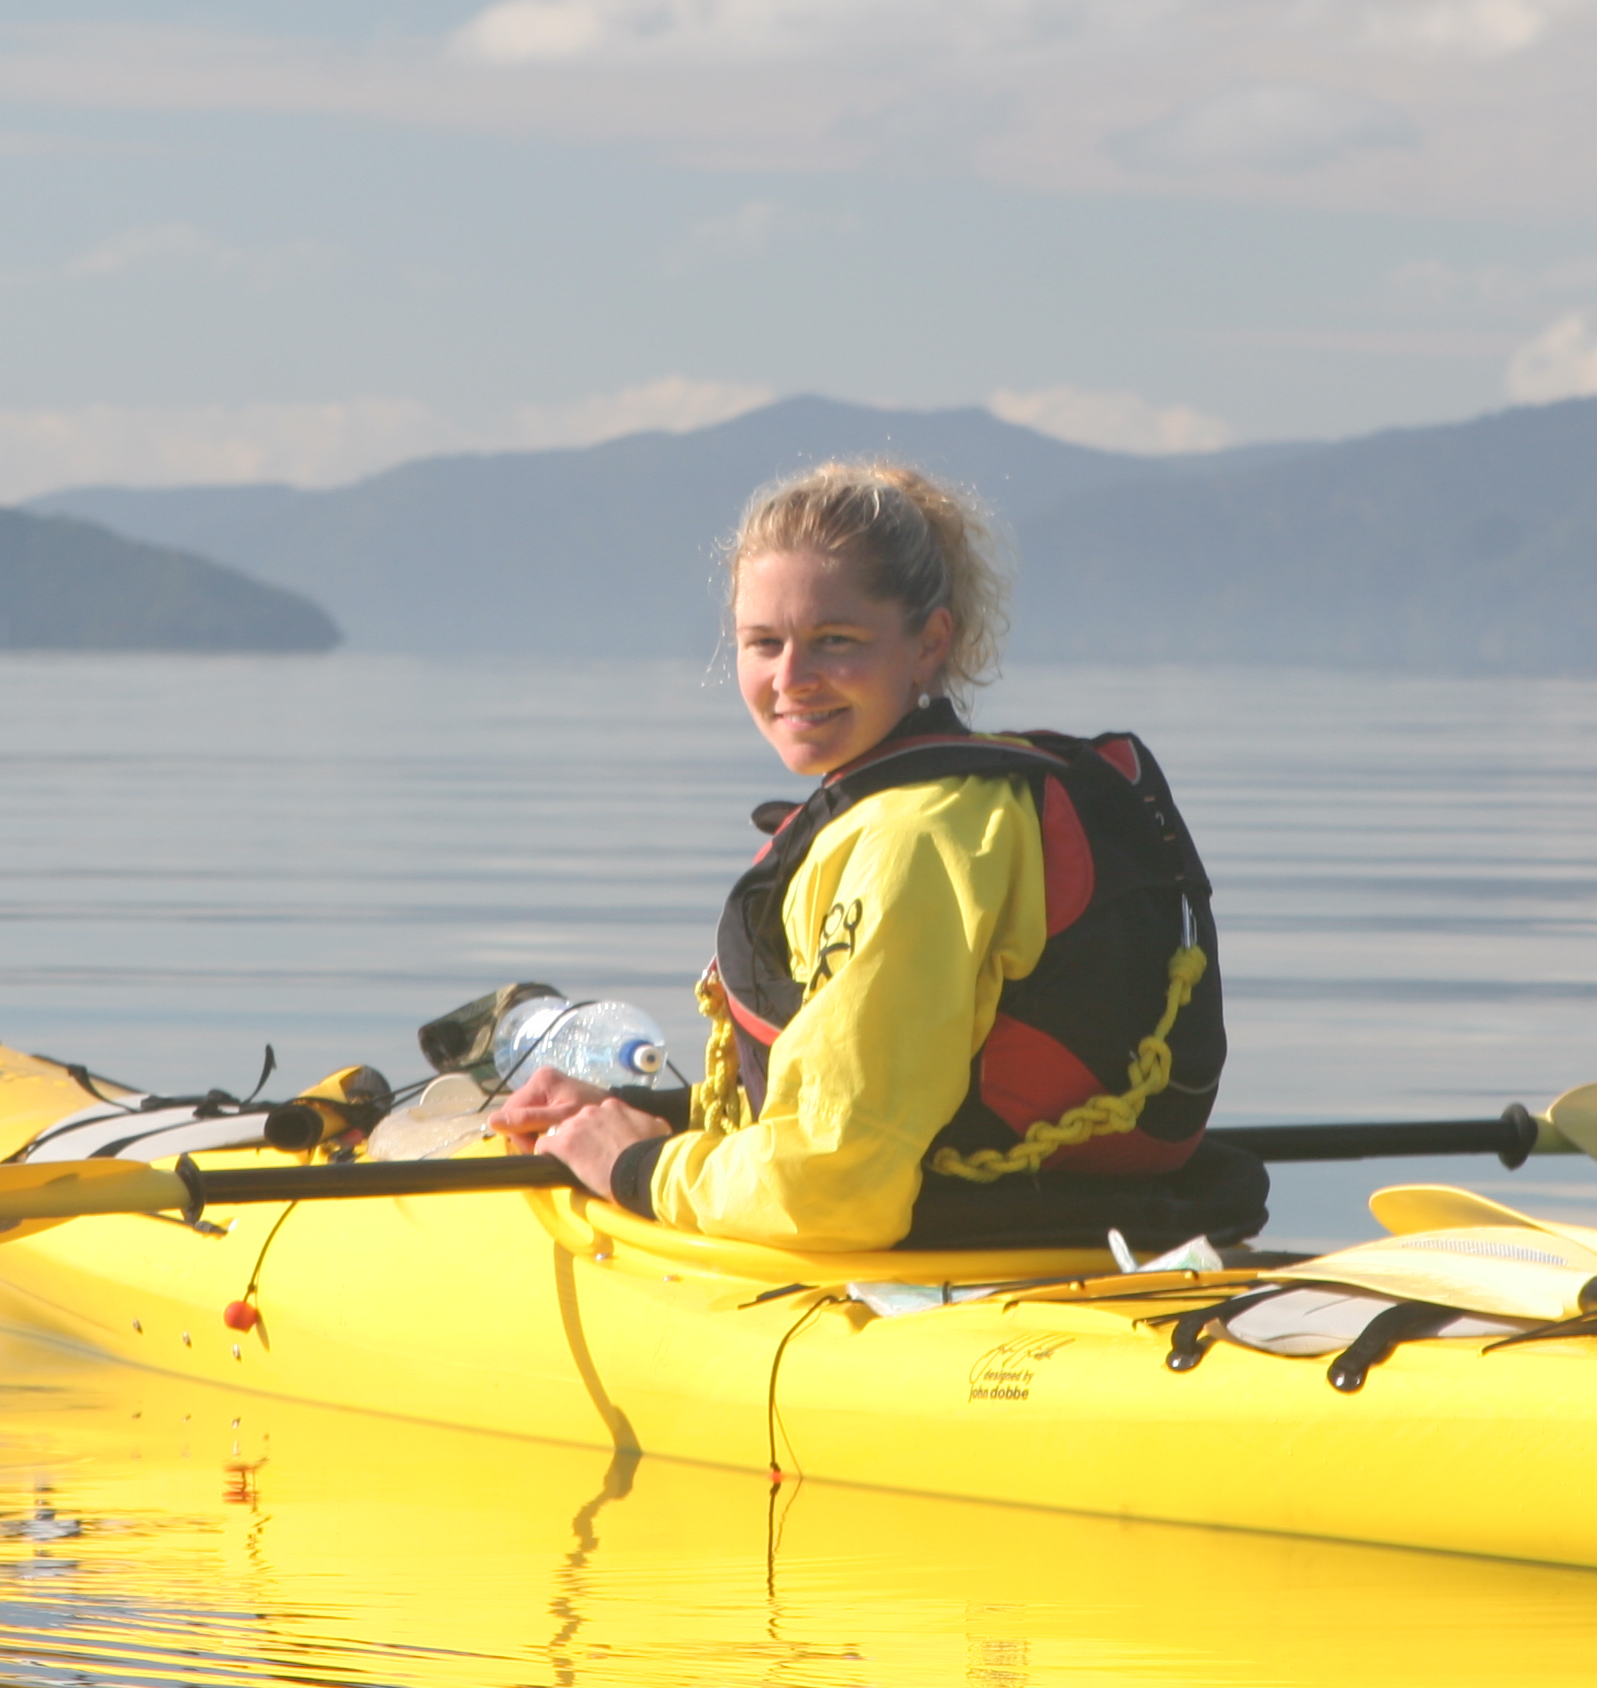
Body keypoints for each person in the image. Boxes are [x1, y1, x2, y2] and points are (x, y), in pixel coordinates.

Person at [496, 460, 1261, 1253]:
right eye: (764, 643)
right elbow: (871, 1097)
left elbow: (834, 1182)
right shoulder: (948, 802)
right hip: (1062, 1219)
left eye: (836, 642)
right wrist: (638, 1115)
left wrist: (635, 1166)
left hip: (972, 1258)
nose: (791, 680)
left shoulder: (911, 840)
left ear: (929, 643)